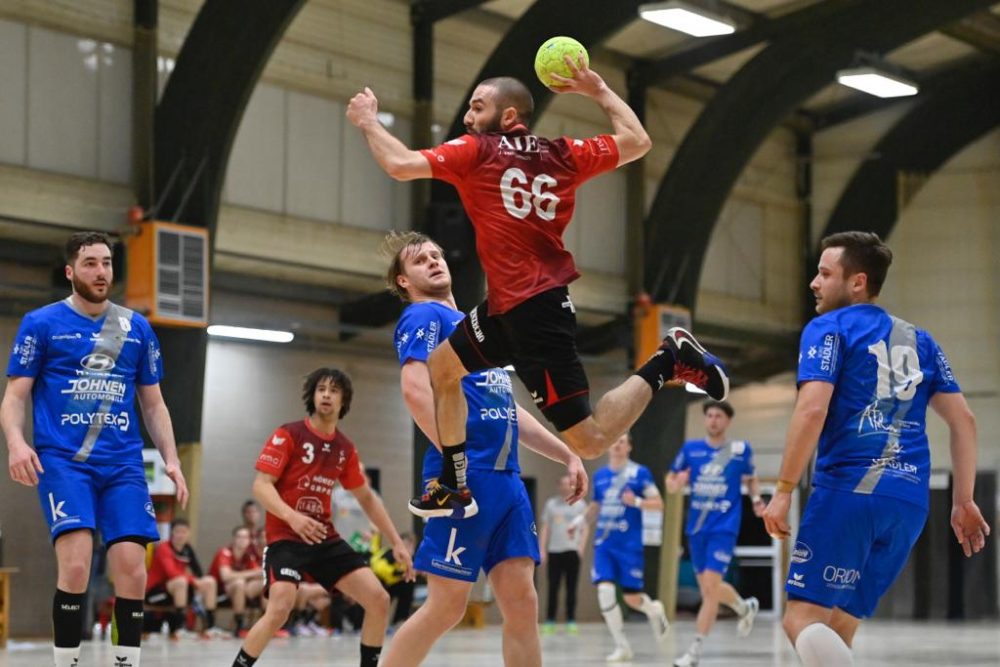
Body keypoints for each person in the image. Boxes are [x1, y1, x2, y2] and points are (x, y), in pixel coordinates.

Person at [348, 57, 729, 519]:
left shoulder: (476, 151)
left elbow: (399, 163)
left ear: (508, 117)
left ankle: (670, 358)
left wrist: (368, 122)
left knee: (588, 441)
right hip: (505, 306)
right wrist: (599, 89)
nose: (468, 117)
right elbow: (638, 141)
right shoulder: (561, 153)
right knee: (443, 368)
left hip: (537, 312)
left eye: (477, 106)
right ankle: (454, 482)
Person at [762, 232, 991, 666]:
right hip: (907, 504)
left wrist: (784, 487)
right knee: (836, 630)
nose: (813, 282)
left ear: (857, 282)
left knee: (800, 618)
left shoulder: (828, 328)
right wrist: (963, 500)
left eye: (825, 273)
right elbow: (965, 420)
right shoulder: (920, 340)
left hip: (850, 491)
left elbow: (811, 411)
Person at [378, 231, 589, 667]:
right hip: (465, 478)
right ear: (404, 281)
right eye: (421, 261)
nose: (435, 261)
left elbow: (509, 411)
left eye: (438, 254)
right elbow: (416, 392)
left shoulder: (475, 332)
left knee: (522, 604)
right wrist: (455, 463)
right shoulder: (424, 317)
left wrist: (568, 454)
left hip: (508, 484)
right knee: (446, 607)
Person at [1, 231, 189, 667]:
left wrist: (173, 459)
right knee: (77, 566)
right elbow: (14, 396)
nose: (101, 271)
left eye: (106, 262)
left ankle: (126, 662)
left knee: (132, 568)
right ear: (70, 272)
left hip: (123, 465)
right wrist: (15, 443)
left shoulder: (136, 328)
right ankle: (67, 662)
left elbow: (154, 404)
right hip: (65, 462)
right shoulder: (42, 324)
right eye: (90, 263)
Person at [231, 367, 413, 667]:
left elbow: (366, 497)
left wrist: (396, 542)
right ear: (312, 396)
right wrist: (293, 518)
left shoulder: (344, 448)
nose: (326, 395)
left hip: (323, 538)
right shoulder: (288, 434)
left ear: (344, 401)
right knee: (280, 608)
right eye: (321, 389)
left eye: (334, 390)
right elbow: (261, 486)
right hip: (286, 538)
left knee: (378, 600)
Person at [666, 400, 763, 666]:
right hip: (697, 529)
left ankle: (694, 651)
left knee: (709, 589)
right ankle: (745, 607)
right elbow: (671, 482)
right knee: (709, 589)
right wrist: (677, 482)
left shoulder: (739, 451)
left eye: (718, 416)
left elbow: (752, 477)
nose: (712, 420)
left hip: (724, 526)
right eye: (709, 415)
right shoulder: (691, 450)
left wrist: (755, 500)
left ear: (727, 421)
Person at [586, 434, 670, 662]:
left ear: (629, 447)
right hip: (604, 543)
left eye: (622, 441)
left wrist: (638, 502)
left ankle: (654, 610)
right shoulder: (600, 475)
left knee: (632, 598)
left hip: (629, 544)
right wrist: (579, 523)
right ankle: (622, 646)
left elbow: (659, 504)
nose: (617, 444)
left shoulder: (640, 473)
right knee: (605, 591)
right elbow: (595, 506)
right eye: (613, 441)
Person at [145, 518, 221, 638]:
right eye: (177, 531)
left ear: (188, 534)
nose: (181, 535)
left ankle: (210, 627)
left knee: (209, 581)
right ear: (172, 533)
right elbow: (172, 573)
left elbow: (199, 573)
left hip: (180, 590)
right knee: (180, 582)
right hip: (156, 593)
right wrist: (194, 581)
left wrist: (199, 583)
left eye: (184, 532)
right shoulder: (163, 548)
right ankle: (180, 627)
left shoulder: (187, 549)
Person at [539, 473, 589, 635]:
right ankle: (550, 620)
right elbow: (545, 527)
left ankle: (571, 620)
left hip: (572, 551)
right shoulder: (551, 504)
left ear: (573, 486)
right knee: (553, 587)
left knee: (571, 587)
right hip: (554, 551)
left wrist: (581, 547)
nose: (565, 487)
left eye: (568, 484)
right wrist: (542, 549)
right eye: (562, 484)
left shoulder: (581, 505)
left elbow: (585, 528)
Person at [209, 526, 263, 637]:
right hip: (219, 591)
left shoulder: (249, 556)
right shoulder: (224, 552)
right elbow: (226, 576)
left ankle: (271, 625)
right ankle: (239, 626)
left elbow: (259, 574)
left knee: (266, 583)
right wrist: (251, 573)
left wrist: (254, 574)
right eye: (239, 537)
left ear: (249, 540)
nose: (242, 540)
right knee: (239, 583)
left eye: (245, 537)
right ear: (234, 539)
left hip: (241, 590)